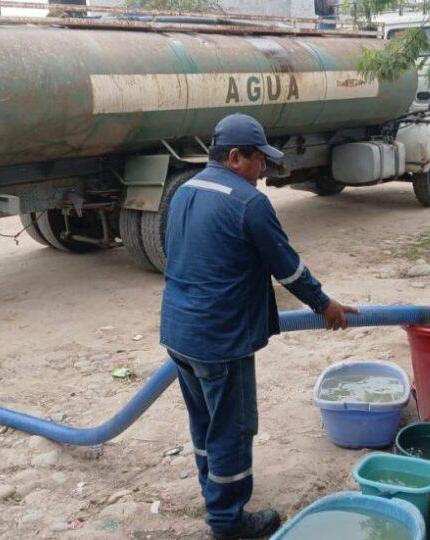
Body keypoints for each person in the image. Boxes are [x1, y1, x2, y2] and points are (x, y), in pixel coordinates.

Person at [160, 113, 357, 539]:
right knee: (232, 429)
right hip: (221, 340)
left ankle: (213, 491)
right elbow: (288, 270)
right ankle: (228, 522)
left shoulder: (182, 190)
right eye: (259, 161)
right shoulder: (248, 202)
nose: (264, 171)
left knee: (204, 424)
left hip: (178, 333)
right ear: (235, 157)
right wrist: (326, 305)